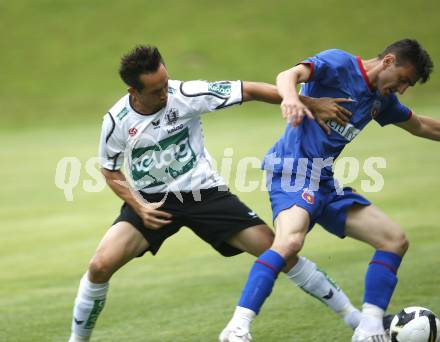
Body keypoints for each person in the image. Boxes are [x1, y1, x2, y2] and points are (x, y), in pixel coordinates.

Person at [68, 45, 359, 342]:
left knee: (280, 252)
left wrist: (305, 101)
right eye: (156, 91)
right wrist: (139, 206)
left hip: (204, 194)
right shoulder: (116, 121)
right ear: (133, 90)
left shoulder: (186, 94)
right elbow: (110, 170)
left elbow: (251, 90)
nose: (165, 94)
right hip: (153, 202)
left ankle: (355, 320)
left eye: (166, 84)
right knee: (99, 265)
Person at [220, 38, 438, 342]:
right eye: (403, 80)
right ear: (388, 61)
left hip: (324, 181)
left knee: (394, 241)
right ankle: (237, 328)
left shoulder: (381, 101)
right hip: (291, 172)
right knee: (289, 242)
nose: (402, 90)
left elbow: (421, 126)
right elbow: (287, 76)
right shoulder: (339, 64)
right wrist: (292, 99)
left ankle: (370, 329)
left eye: (408, 86)